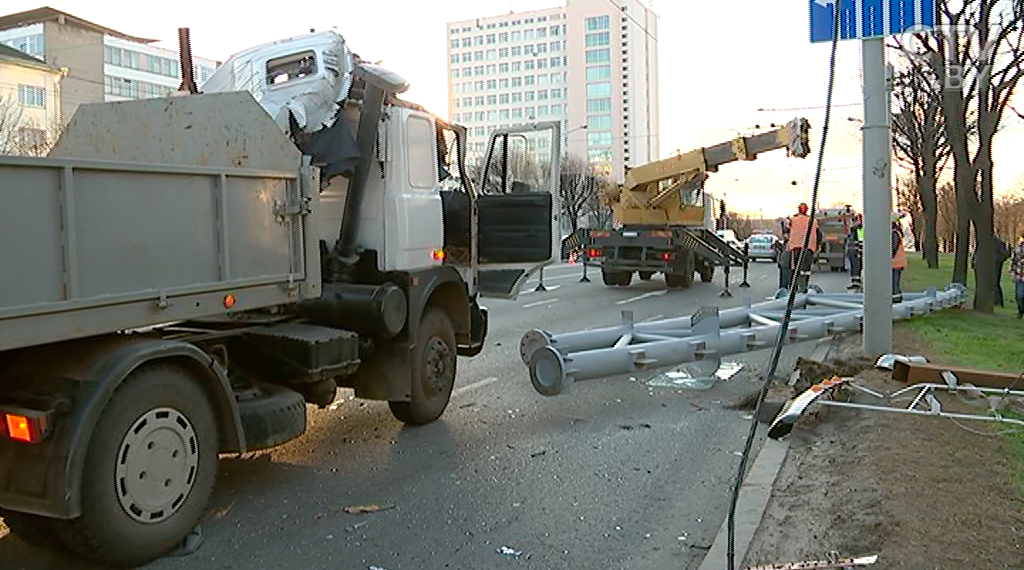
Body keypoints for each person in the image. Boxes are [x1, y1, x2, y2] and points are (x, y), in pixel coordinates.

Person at [787, 203, 820, 293]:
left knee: (795, 268)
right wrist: (817, 246)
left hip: (796, 247)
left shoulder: (793, 219)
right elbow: (818, 234)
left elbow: (787, 230)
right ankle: (804, 286)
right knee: (806, 269)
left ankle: (794, 288)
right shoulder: (813, 220)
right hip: (809, 247)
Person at [891, 212, 907, 302]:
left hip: (895, 263)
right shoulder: (895, 232)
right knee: (894, 283)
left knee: (894, 284)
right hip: (897, 263)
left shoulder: (894, 233)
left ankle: (896, 301)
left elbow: (893, 248)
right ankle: (896, 300)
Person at [846, 213, 863, 291]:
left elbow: (860, 241)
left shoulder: (860, 229)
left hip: (856, 252)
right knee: (853, 268)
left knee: (857, 268)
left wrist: (859, 252)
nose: (854, 222)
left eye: (855, 220)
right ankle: (854, 283)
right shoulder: (853, 229)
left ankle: (857, 284)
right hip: (852, 251)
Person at [1011, 234, 1024, 318]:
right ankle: (1021, 310)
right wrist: (1013, 273)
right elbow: (1013, 261)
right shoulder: (1017, 249)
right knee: (1019, 296)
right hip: (1019, 276)